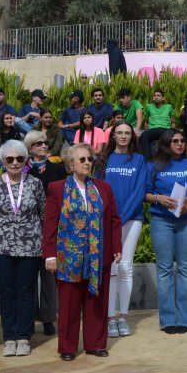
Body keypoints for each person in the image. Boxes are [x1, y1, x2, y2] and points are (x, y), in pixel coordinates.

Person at [43, 144, 122, 361]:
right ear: (70, 165)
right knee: (69, 303)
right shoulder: (58, 188)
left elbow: (114, 219)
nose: (87, 163)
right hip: (68, 256)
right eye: (82, 160)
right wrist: (50, 254)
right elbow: (50, 223)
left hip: (98, 254)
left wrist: (116, 246)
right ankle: (67, 347)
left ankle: (96, 344)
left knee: (96, 301)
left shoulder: (103, 188)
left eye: (90, 159)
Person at [0, 140, 46, 357]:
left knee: (26, 292)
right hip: (1, 247)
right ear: (3, 161)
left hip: (30, 247)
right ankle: (10, 337)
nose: (15, 162)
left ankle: (24, 337)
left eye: (19, 158)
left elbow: (43, 213)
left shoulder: (35, 184)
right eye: (9, 159)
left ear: (26, 160)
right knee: (7, 292)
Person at [144, 130, 187, 334]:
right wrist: (158, 199)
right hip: (162, 221)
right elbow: (145, 193)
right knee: (164, 269)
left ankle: (185, 319)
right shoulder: (153, 166)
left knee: (185, 268)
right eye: (175, 141)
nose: (179, 144)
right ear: (166, 143)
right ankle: (168, 319)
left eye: (182, 140)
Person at [97, 122, 147, 338]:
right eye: (120, 133)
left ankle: (123, 317)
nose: (124, 136)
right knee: (112, 269)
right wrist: (111, 218)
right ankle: (110, 319)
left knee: (126, 267)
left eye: (127, 133)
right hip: (107, 220)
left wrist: (121, 218)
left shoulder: (139, 159)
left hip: (132, 218)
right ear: (113, 136)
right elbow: (98, 190)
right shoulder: (104, 159)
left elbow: (139, 191)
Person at [24, 131, 66, 336]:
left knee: (49, 276)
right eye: (38, 143)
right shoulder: (22, 170)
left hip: (52, 227)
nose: (44, 146)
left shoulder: (58, 169)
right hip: (29, 228)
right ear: (30, 148)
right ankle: (30, 317)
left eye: (45, 142)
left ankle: (48, 318)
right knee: (30, 276)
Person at [140, 89, 176, 159]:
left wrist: (172, 130)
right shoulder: (149, 107)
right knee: (144, 135)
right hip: (153, 129)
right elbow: (146, 121)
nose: (156, 97)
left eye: (158, 96)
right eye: (154, 96)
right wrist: (147, 129)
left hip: (165, 130)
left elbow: (173, 121)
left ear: (163, 98)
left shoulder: (169, 107)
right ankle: (146, 158)